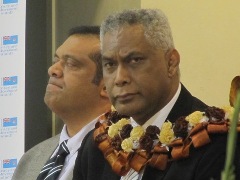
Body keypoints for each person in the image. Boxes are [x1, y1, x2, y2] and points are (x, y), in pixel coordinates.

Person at [73, 9, 240, 180]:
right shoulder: (99, 145)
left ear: (171, 63)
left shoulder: (215, 143)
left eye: (135, 60)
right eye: (109, 64)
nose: (120, 78)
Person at [12, 26, 111, 180]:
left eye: (71, 64)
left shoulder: (125, 154)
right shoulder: (30, 159)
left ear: (106, 85)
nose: (53, 70)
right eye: (55, 61)